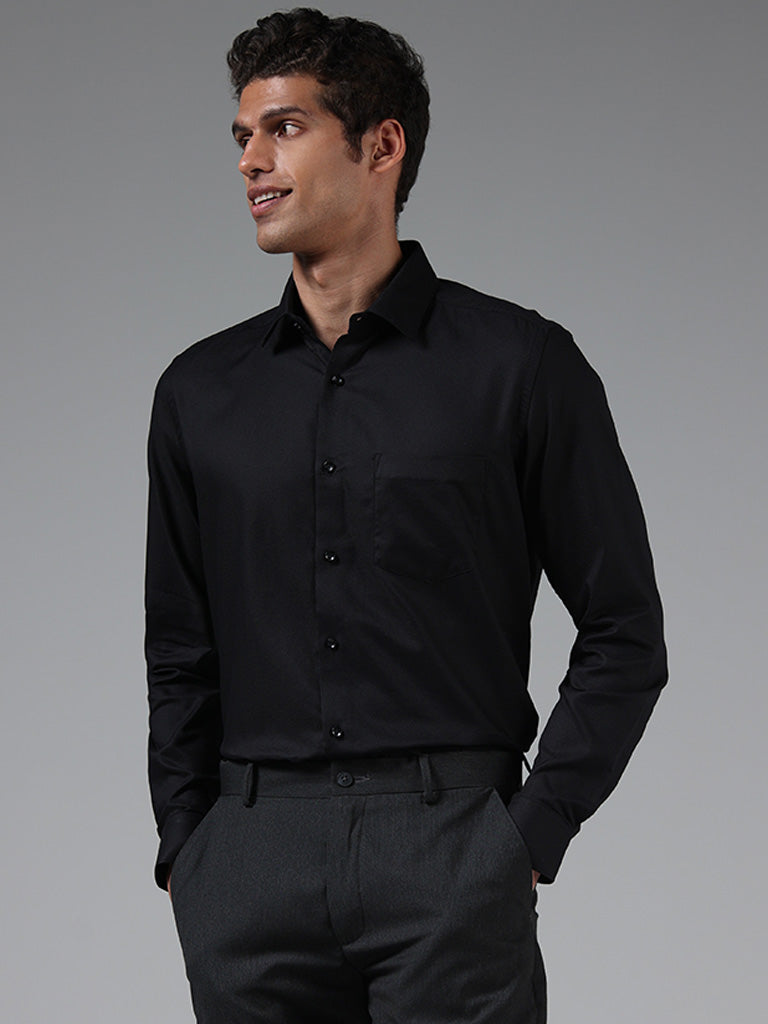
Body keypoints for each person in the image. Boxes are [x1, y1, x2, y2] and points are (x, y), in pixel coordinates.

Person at [144, 8, 667, 1023]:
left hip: (451, 853)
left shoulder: (520, 367)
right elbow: (179, 647)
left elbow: (625, 630)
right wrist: (190, 846)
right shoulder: (199, 393)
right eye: (243, 136)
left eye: (285, 128)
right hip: (248, 861)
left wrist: (529, 833)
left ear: (382, 146)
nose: (251, 160)